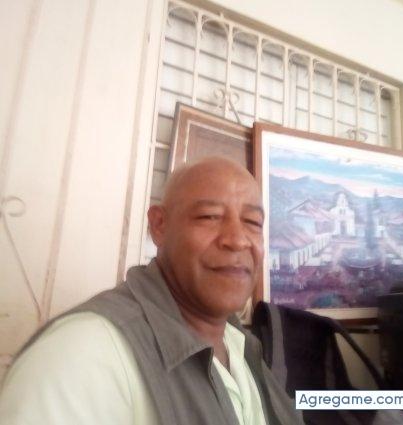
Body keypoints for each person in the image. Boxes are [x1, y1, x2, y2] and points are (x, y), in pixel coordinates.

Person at [0, 157, 302, 425]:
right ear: (159, 225)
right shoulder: (84, 353)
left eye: (253, 222)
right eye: (209, 216)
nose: (237, 239)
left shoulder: (240, 342)